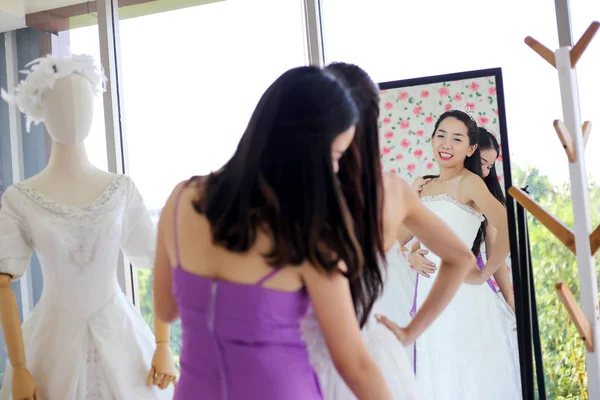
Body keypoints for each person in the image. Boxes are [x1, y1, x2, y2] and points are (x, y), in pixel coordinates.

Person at [151, 66, 393, 400]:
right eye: (334, 156)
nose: (335, 170)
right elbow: (354, 364)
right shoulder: (309, 232)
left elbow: (165, 309)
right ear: (305, 152)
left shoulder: (181, 199)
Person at [301, 62, 477, 399]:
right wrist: (410, 333)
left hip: (302, 357)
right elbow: (461, 258)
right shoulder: (393, 191)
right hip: (373, 354)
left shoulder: (294, 191)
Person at [379, 110, 522, 400]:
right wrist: (411, 255)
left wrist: (484, 273)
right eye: (441, 135)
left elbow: (509, 223)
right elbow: (396, 238)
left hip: (464, 296)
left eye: (457, 139)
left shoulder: (470, 182)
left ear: (470, 148)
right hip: (430, 295)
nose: (446, 144)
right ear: (431, 139)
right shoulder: (425, 186)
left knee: (468, 376)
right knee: (439, 375)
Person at [408, 127, 515, 311]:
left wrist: (511, 303)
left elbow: (497, 250)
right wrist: (412, 256)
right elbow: (417, 241)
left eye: (489, 167)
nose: (486, 171)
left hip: (465, 286)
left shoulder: (484, 197)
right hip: (429, 286)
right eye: (482, 163)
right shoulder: (429, 186)